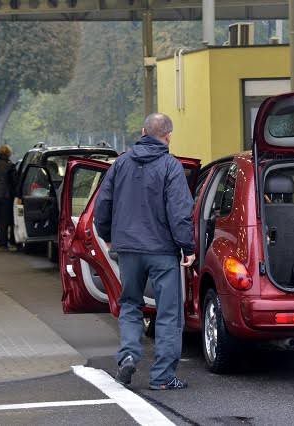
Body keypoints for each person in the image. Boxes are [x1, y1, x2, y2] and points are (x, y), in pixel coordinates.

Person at [94, 113, 196, 390]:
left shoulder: (121, 163)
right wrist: (187, 246)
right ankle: (162, 377)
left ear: (142, 131)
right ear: (168, 135)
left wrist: (108, 237)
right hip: (162, 250)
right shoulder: (170, 167)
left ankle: (128, 354)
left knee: (130, 305)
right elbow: (180, 212)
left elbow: (102, 205)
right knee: (168, 312)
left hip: (128, 249)